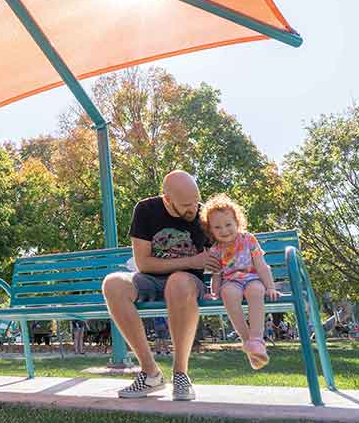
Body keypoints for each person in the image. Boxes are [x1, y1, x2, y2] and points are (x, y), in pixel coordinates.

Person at [101, 170, 216, 401]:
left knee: (177, 282)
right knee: (113, 284)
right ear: (168, 200)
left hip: (187, 283)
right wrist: (192, 261)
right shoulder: (146, 210)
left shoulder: (205, 215)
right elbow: (143, 263)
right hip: (151, 279)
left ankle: (181, 374)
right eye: (186, 205)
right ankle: (150, 373)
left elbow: (229, 250)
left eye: (196, 201)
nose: (193, 209)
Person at [202, 194, 279, 369]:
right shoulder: (215, 250)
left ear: (237, 222)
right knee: (228, 293)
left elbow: (261, 266)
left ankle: (257, 339)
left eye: (228, 224)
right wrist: (214, 293)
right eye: (217, 227)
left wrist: (270, 287)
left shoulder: (249, 239)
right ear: (211, 230)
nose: (224, 230)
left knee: (256, 291)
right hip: (231, 281)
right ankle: (247, 340)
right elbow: (217, 274)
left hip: (253, 278)